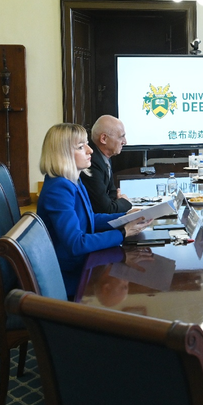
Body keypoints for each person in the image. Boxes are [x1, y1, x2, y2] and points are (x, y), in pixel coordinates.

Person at [36, 123, 153, 296]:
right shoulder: (59, 188)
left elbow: (90, 219)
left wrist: (126, 217)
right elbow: (76, 244)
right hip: (70, 275)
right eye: (81, 147)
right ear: (63, 154)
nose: (90, 150)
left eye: (87, 144)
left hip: (83, 262)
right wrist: (123, 233)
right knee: (138, 274)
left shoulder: (73, 180)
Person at [80, 115, 132, 214]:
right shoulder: (91, 162)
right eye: (121, 137)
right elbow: (106, 209)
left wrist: (117, 202)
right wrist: (125, 202)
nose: (125, 142)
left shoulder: (104, 157)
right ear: (103, 138)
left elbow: (112, 194)